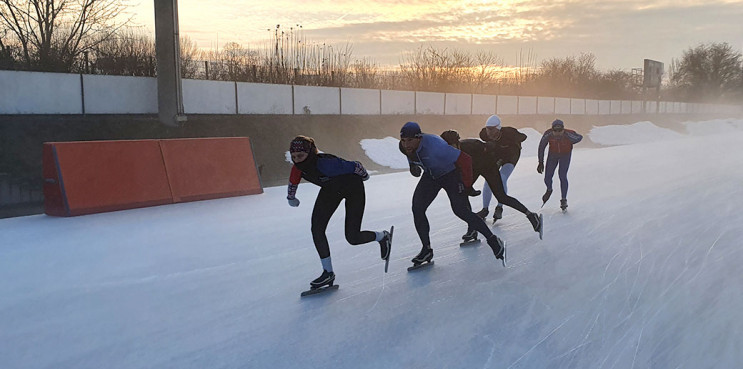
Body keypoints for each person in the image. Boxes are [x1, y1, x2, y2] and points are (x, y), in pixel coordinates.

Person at [287, 135, 392, 290]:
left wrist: (365, 176)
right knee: (316, 228)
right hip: (330, 190)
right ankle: (327, 272)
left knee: (353, 237)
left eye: (301, 156)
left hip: (353, 188)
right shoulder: (297, 168)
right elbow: (293, 182)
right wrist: (291, 197)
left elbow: (356, 166)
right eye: (294, 157)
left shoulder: (326, 164)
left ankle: (382, 237)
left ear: (310, 153)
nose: (298, 160)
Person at [398, 122, 506, 266]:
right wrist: (412, 166)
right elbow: (410, 154)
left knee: (460, 211)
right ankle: (426, 249)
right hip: (431, 175)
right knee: (417, 208)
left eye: (410, 140)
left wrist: (467, 185)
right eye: (403, 141)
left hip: (450, 174)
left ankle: (493, 239)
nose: (406, 145)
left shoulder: (436, 146)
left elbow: (466, 160)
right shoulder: (404, 147)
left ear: (419, 138)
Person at [439, 129, 542, 241]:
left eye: (451, 146)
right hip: (474, 168)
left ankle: (531, 215)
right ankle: (472, 228)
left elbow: (495, 149)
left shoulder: (472, 145)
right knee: (463, 193)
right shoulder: (447, 152)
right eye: (446, 147)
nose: (450, 150)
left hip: (488, 166)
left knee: (501, 197)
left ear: (457, 142)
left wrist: (504, 155)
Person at [477, 115, 527, 222]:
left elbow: (524, 136)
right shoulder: (484, 134)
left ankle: (499, 207)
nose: (490, 133)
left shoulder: (510, 133)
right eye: (488, 129)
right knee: (488, 180)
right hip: (497, 155)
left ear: (499, 128)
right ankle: (485, 209)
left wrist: (515, 140)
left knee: (502, 178)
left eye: (492, 130)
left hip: (511, 155)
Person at [537, 119, 583, 211]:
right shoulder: (548, 134)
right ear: (552, 129)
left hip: (565, 156)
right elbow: (541, 146)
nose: (557, 133)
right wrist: (540, 162)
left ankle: (563, 199)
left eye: (560, 130)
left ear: (563, 129)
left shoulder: (568, 133)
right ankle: (549, 189)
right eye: (555, 130)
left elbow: (579, 137)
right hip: (552, 156)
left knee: (562, 176)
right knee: (547, 177)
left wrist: (570, 138)